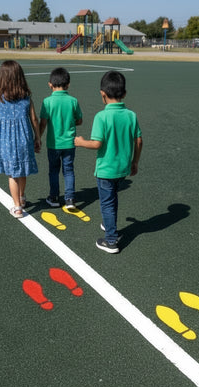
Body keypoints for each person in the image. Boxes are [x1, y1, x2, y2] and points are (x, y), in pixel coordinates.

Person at [75, 71, 143, 254]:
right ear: (125, 94)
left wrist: (81, 142)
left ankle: (111, 240)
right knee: (112, 199)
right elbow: (138, 140)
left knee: (107, 202)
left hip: (106, 170)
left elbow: (97, 143)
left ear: (102, 94)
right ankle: (108, 223)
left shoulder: (101, 117)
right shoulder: (131, 115)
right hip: (123, 168)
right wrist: (135, 162)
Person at [0, 60, 41, 218]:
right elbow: (34, 119)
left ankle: (17, 207)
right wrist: (37, 137)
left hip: (6, 139)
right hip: (24, 138)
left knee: (12, 174)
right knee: (22, 170)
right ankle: (22, 197)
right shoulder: (26, 98)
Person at [39, 67, 83, 210]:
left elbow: (43, 123)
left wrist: (37, 138)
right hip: (70, 143)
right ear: (68, 84)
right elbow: (79, 120)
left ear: (50, 84)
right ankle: (70, 199)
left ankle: (54, 197)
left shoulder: (47, 101)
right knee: (69, 170)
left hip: (53, 144)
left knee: (53, 170)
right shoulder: (73, 101)